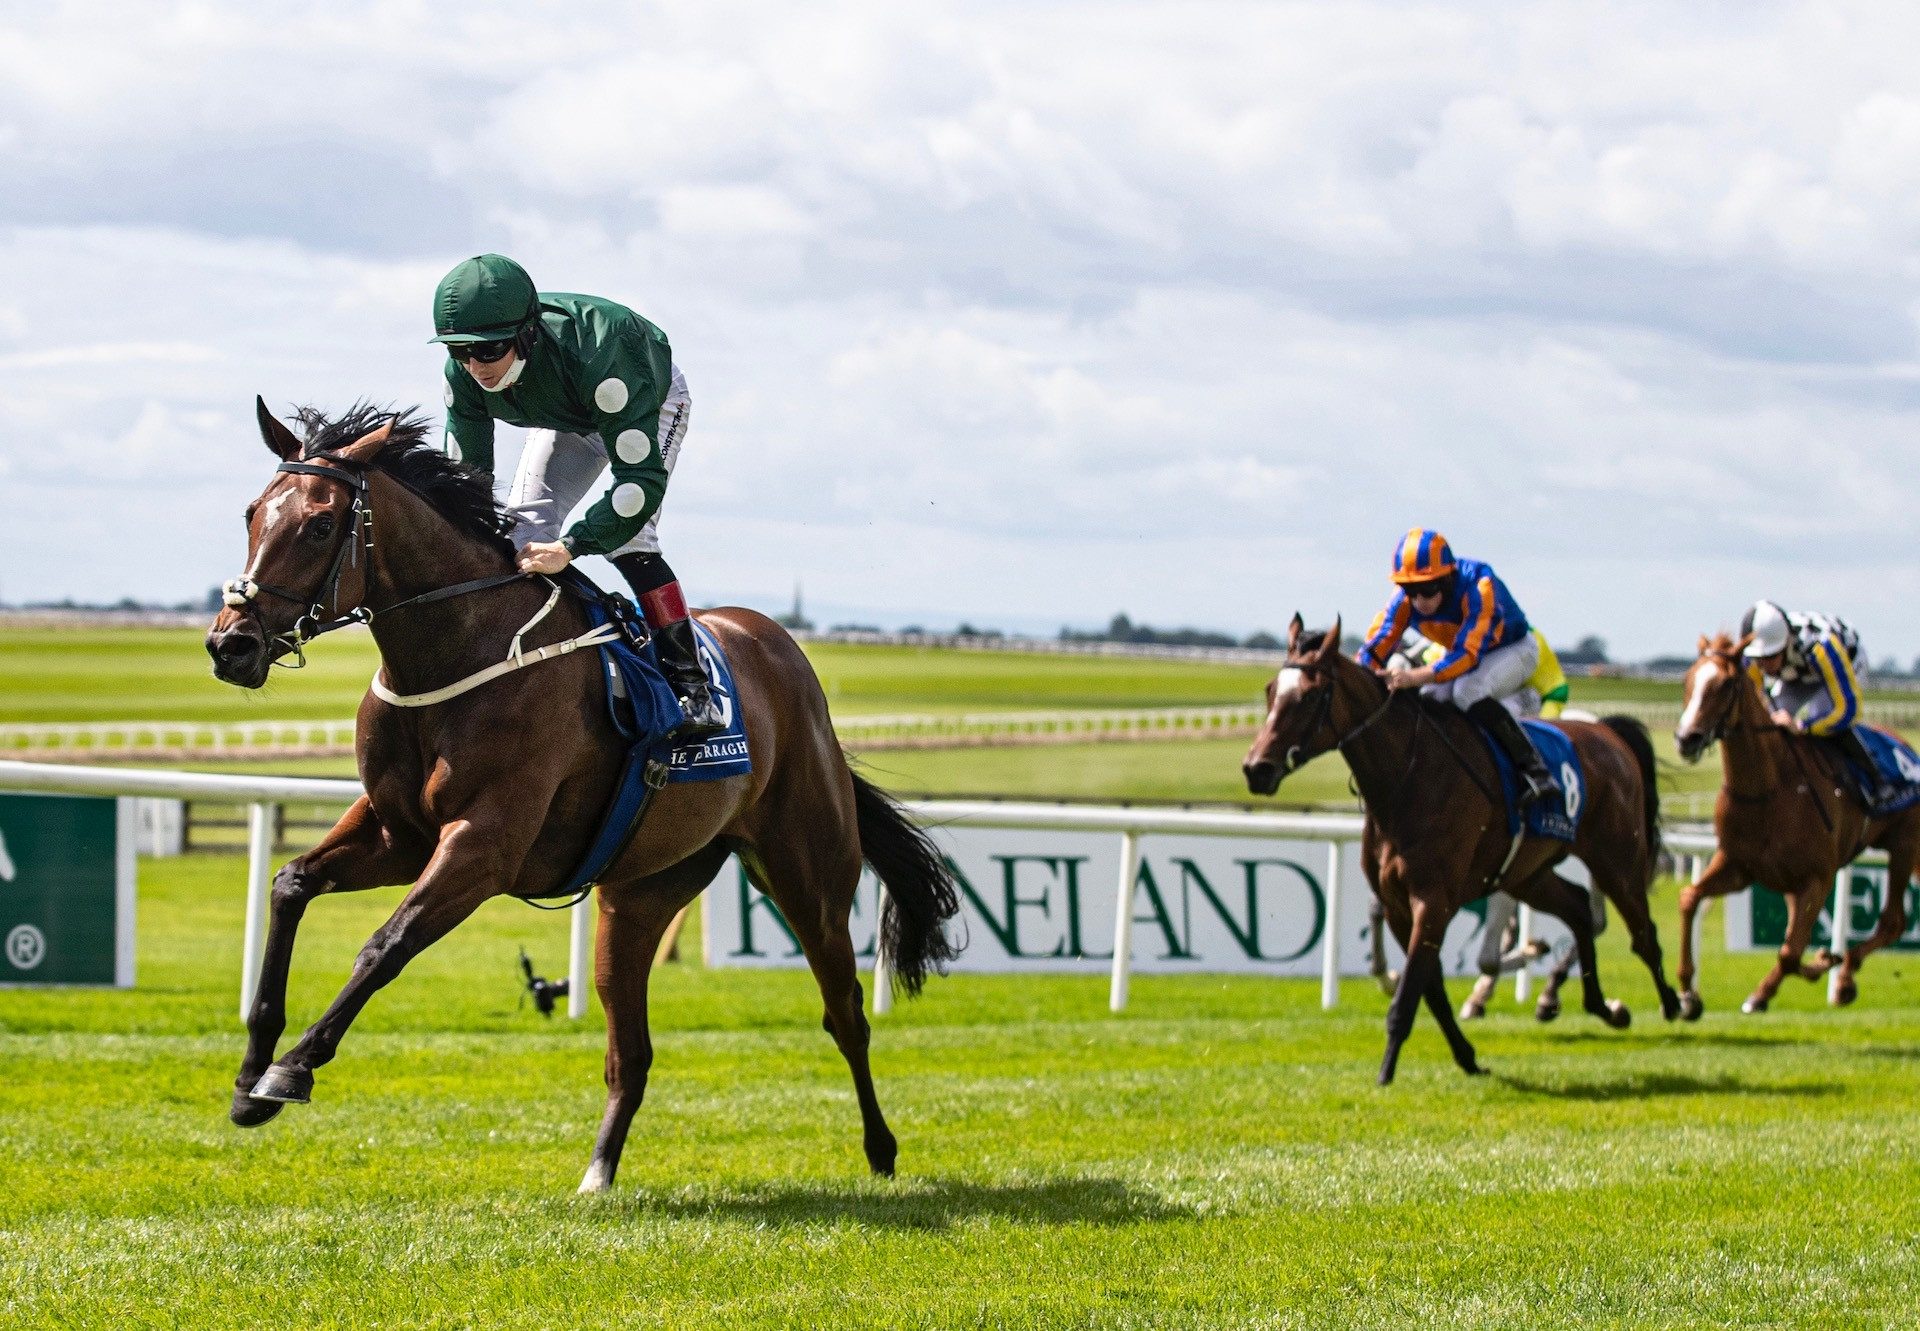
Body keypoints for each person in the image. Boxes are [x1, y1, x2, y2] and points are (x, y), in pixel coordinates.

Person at [431, 253, 723, 744]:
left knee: (629, 538)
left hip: (643, 397)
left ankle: (693, 688)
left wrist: (572, 546)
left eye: (488, 350)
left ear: (526, 334)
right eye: (460, 350)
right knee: (523, 531)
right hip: (568, 409)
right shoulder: (462, 374)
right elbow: (467, 484)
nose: (474, 365)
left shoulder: (603, 354)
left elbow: (639, 485)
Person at [1358, 528, 1560, 807]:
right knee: (1431, 698)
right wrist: (1358, 679)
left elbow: (1467, 655)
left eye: (1427, 589)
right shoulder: (1404, 600)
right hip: (1468, 657)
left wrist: (1412, 676)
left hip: (1514, 650)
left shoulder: (1480, 586)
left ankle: (1536, 771)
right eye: (1410, 590)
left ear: (1447, 578)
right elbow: (1379, 642)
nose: (1419, 601)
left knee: (1467, 690)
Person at [1740, 600, 1889, 802]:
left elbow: (1847, 710)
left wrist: (1802, 727)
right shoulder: (1752, 658)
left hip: (1843, 661)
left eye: (1770, 657)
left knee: (1822, 717)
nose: (1764, 666)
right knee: (1772, 720)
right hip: (1796, 671)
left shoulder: (1822, 646)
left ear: (1785, 645)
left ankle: (1878, 779)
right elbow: (1761, 707)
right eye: (1759, 659)